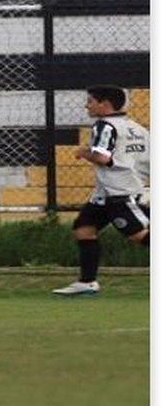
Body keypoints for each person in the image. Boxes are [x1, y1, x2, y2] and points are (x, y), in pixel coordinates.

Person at [53, 85, 150, 296]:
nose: (86, 105)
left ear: (104, 104)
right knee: (84, 228)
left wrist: (84, 152)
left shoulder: (103, 126)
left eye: (90, 101)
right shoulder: (137, 128)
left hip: (120, 191)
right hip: (105, 193)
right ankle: (87, 282)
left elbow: (102, 158)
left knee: (137, 235)